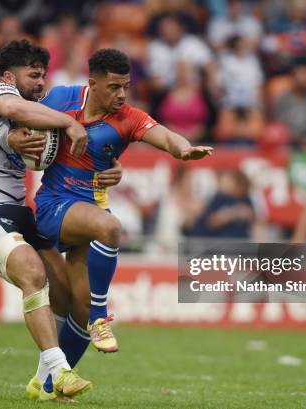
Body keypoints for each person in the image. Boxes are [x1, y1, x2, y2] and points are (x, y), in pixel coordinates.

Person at [19, 49, 212, 387]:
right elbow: (24, 122)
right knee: (110, 227)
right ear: (92, 83)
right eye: (113, 87)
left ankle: (51, 384)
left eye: (125, 86)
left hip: (91, 210)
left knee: (77, 304)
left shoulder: (129, 117)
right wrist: (22, 139)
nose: (121, 94)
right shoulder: (62, 98)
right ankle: (100, 316)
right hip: (54, 204)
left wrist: (183, 148)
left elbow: (165, 135)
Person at [0, 39, 104, 401]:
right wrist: (69, 122)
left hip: (20, 214)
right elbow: (10, 109)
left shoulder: (30, 118)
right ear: (9, 76)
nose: (40, 82)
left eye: (43, 76)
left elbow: (20, 130)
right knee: (32, 272)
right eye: (33, 75)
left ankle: (41, 382)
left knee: (66, 294)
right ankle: (61, 371)